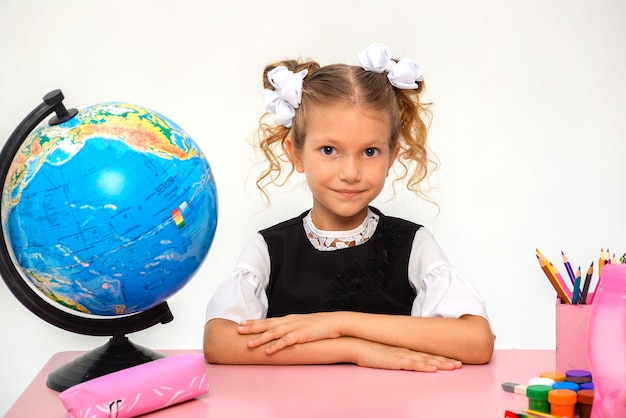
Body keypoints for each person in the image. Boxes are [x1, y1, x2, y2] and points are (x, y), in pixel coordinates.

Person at [203, 43, 494, 372]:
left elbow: (477, 341)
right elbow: (218, 341)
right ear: (296, 153)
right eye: (329, 150)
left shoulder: (413, 245)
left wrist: (339, 323)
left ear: (392, 156)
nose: (351, 173)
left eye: (370, 152)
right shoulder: (270, 249)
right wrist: (352, 349)